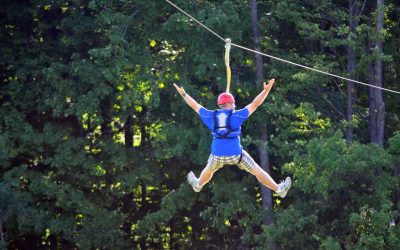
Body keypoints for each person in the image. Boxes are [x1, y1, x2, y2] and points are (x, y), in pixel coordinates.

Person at [173, 79, 291, 198]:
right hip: (236, 154)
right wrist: (266, 91)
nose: (234, 105)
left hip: (217, 154)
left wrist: (184, 94)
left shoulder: (210, 116)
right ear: (229, 104)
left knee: (209, 169)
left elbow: (194, 106)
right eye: (233, 103)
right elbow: (255, 104)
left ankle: (198, 185)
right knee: (256, 170)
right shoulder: (236, 115)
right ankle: (278, 189)